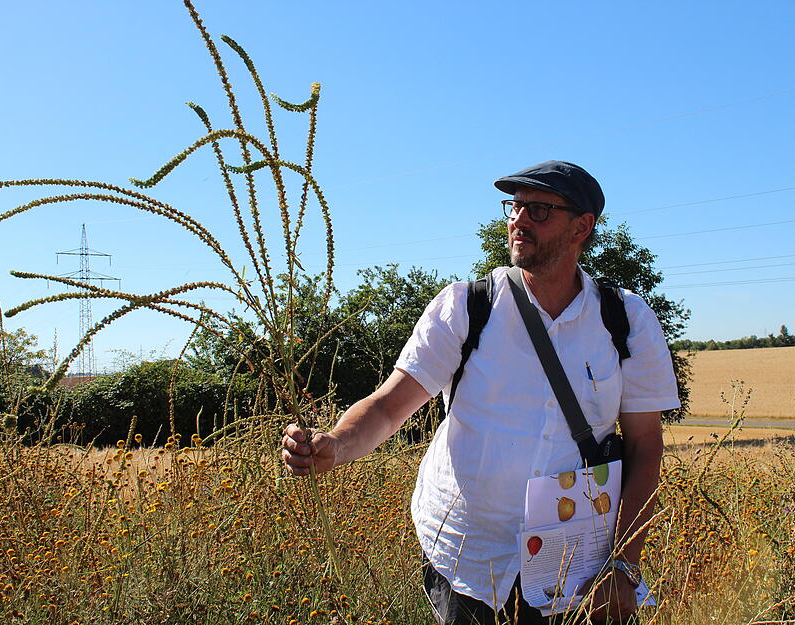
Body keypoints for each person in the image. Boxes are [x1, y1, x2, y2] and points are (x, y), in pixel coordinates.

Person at [282, 161, 679, 624]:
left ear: (582, 227)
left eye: (539, 210)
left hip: (576, 570)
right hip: (467, 559)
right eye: (514, 207)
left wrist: (623, 564)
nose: (519, 220)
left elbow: (645, 446)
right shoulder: (466, 306)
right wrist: (337, 443)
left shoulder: (625, 320)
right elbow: (390, 406)